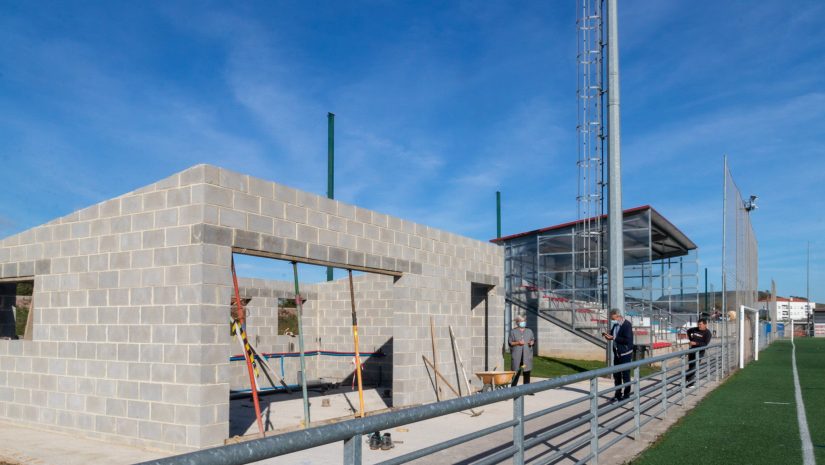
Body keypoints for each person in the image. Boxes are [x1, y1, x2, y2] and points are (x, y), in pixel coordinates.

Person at [602, 309, 633, 401]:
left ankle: (626, 395)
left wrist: (614, 337)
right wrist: (608, 336)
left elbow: (626, 340)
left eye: (612, 317)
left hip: (625, 354)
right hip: (617, 353)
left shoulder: (627, 325)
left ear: (616, 315)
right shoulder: (615, 325)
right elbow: (613, 336)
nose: (611, 319)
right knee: (617, 375)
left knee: (626, 375)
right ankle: (618, 394)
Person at [509, 315, 534, 387]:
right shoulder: (513, 331)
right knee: (516, 372)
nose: (523, 323)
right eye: (521, 321)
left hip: (527, 355)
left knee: (527, 372)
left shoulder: (529, 331)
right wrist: (518, 343)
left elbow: (532, 339)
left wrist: (532, 342)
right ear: (517, 322)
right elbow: (510, 343)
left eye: (524, 321)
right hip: (517, 356)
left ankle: (527, 389)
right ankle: (513, 389)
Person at [686, 318, 712, 387]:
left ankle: (686, 377)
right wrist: (691, 339)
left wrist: (695, 343)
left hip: (699, 352)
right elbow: (688, 331)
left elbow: (705, 344)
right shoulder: (695, 329)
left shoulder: (708, 333)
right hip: (691, 350)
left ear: (705, 325)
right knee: (691, 365)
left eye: (700, 324)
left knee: (694, 366)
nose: (699, 326)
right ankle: (689, 383)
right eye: (698, 324)